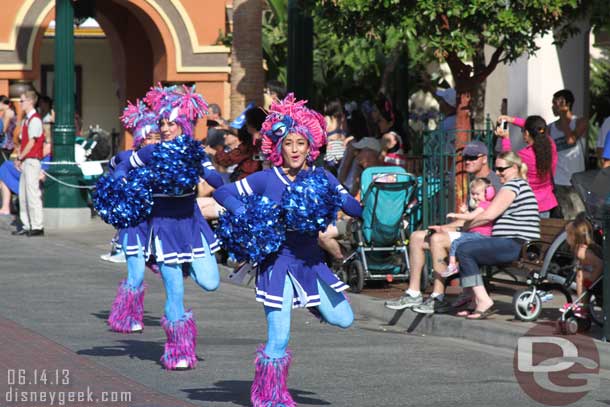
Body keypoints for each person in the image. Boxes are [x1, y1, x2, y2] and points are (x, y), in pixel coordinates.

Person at [213, 94, 362, 407]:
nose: (295, 150)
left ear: (311, 146)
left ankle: (308, 301)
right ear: (278, 147)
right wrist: (244, 213)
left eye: (301, 143)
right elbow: (223, 191)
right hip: (277, 264)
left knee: (344, 318)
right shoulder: (267, 178)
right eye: (289, 143)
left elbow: (353, 207)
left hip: (310, 263)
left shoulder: (321, 177)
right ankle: (268, 397)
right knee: (279, 338)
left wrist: (343, 198)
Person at [111, 85, 223, 370]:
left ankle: (183, 268)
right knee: (175, 293)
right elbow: (125, 164)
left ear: (183, 125)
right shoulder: (152, 153)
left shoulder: (194, 153)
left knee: (210, 282)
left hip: (192, 224)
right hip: (164, 227)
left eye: (171, 123)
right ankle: (179, 350)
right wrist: (121, 179)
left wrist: (213, 176)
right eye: (162, 122)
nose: (165, 128)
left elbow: (214, 177)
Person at [384, 140, 501, 314]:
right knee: (417, 237)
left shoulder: (492, 185)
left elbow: (484, 218)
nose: (467, 161)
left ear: (484, 159)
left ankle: (437, 297)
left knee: (437, 239)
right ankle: (413, 292)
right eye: (465, 158)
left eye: (472, 158)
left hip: (482, 237)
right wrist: (446, 227)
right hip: (467, 232)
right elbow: (466, 220)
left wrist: (448, 229)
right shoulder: (475, 182)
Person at [455, 151, 540, 319]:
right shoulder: (518, 185)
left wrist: (463, 229)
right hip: (514, 242)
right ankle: (474, 300)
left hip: (516, 244)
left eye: (502, 169)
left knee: (464, 250)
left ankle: (483, 300)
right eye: (496, 169)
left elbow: (488, 215)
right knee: (467, 249)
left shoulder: (513, 185)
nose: (498, 173)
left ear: (514, 168)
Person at [106, 100, 161, 334]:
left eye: (158, 136)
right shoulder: (127, 157)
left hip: (156, 226)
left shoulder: (165, 160)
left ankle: (129, 313)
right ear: (141, 138)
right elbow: (113, 170)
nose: (155, 140)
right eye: (150, 137)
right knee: (136, 273)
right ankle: (126, 316)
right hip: (132, 224)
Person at [496, 115, 558, 218]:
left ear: (527, 133)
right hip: (546, 203)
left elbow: (507, 160)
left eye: (523, 131)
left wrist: (505, 138)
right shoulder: (551, 145)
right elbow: (536, 126)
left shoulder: (525, 155)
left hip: (528, 204)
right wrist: (511, 119)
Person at [441, 178, 495, 279]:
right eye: (473, 194)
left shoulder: (484, 205)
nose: (475, 197)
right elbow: (472, 217)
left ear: (488, 193)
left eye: (477, 194)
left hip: (480, 235)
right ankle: (454, 265)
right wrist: (465, 212)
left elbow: (470, 217)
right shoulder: (484, 205)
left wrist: (455, 215)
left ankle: (452, 265)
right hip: (477, 234)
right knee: (459, 244)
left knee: (455, 242)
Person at [548, 89, 588, 219]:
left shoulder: (580, 122)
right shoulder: (550, 128)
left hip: (576, 182)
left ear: (567, 104)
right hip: (558, 181)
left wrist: (564, 115)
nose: (553, 107)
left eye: (556, 103)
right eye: (553, 103)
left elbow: (571, 140)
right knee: (564, 220)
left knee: (580, 218)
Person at [12, 91, 45, 237]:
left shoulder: (35, 120)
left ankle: (37, 225)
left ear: (30, 102)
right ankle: (27, 224)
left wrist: (20, 156)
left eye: (22, 100)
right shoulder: (27, 120)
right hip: (26, 160)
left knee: (32, 194)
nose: (21, 103)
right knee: (23, 195)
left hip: (32, 160)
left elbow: (32, 142)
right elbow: (24, 140)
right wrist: (20, 157)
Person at [560, 214, 603, 317]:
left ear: (575, 237)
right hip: (596, 274)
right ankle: (582, 304)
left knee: (580, 275)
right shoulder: (581, 249)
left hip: (599, 276)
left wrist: (591, 279)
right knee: (579, 273)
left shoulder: (583, 252)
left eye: (568, 235)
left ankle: (582, 305)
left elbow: (600, 265)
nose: (566, 238)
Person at [323, 99, 347, 173]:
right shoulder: (342, 118)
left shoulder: (327, 119)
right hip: (342, 149)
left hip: (331, 149)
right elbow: (346, 132)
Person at [0, 95, 16, 163]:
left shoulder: (8, 113)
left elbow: (4, 129)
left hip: (5, 144)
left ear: (2, 103)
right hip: (6, 143)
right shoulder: (7, 112)